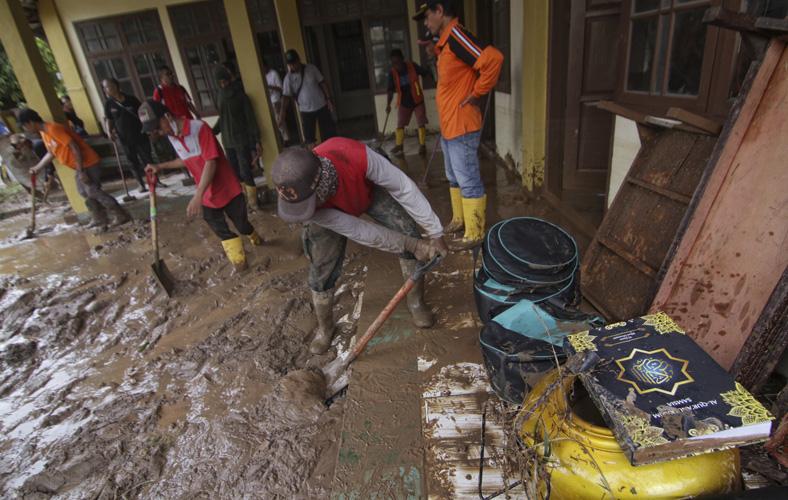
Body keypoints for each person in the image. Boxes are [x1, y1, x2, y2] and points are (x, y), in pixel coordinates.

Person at [272, 137, 449, 354]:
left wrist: (435, 232)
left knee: (407, 229)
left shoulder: (356, 155)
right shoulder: (308, 205)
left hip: (365, 191)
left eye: (306, 204)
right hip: (327, 213)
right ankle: (326, 328)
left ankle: (416, 303)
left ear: (321, 183)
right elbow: (361, 231)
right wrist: (414, 245)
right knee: (321, 270)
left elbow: (403, 187)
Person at [138, 100, 262, 271]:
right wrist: (160, 166)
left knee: (242, 225)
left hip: (227, 188)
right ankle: (241, 266)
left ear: (167, 116)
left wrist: (197, 195)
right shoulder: (172, 136)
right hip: (207, 195)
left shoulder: (199, 128)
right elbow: (186, 159)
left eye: (157, 127)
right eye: (153, 130)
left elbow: (210, 162)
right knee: (221, 231)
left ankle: (254, 237)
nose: (157, 132)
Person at [423, 0, 503, 249]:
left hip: (462, 125)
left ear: (439, 11)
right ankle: (460, 219)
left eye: (427, 16)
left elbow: (494, 59)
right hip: (449, 126)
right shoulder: (447, 43)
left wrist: (477, 92)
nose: (426, 23)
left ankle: (476, 232)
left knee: (467, 178)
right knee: (453, 177)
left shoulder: (457, 36)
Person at [18, 108, 131, 230]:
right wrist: (37, 167)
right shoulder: (44, 133)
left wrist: (82, 171)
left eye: (24, 126)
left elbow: (74, 147)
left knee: (92, 190)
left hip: (88, 163)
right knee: (83, 191)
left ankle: (120, 214)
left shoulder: (53, 129)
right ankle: (99, 218)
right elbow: (51, 152)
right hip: (79, 166)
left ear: (30, 122)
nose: (25, 130)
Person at [212, 66, 262, 208]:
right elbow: (222, 119)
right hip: (227, 141)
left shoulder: (241, 96)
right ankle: (245, 199)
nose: (223, 85)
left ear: (229, 80)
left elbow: (250, 119)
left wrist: (256, 139)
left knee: (245, 170)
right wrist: (211, 131)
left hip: (241, 140)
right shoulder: (219, 96)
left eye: (225, 81)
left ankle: (254, 202)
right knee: (234, 172)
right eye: (220, 83)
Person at [102, 78, 152, 192]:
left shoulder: (131, 99)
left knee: (147, 159)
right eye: (104, 88)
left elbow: (143, 112)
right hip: (124, 138)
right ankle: (141, 184)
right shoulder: (108, 104)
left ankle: (154, 181)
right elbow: (108, 119)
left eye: (107, 87)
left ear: (115, 86)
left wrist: (149, 128)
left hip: (140, 134)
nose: (105, 90)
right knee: (132, 162)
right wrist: (109, 132)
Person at [278, 50, 337, 146]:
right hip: (305, 111)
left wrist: (329, 99)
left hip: (321, 106)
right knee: (309, 139)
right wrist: (282, 114)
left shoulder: (311, 69)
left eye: (294, 63)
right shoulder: (288, 78)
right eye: (290, 64)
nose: (293, 66)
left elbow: (323, 83)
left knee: (329, 134)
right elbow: (285, 97)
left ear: (298, 60)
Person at [386, 48, 432, 156]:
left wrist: (432, 75)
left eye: (398, 62)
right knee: (400, 124)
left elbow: (425, 73)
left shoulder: (412, 66)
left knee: (421, 122)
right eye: (393, 63)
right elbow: (390, 90)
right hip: (404, 101)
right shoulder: (392, 73)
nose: (396, 65)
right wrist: (388, 105)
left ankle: (422, 146)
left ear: (403, 59)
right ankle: (399, 145)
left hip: (417, 100)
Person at [263, 59, 290, 145]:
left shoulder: (273, 73)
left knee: (279, 120)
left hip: (275, 99)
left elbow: (281, 88)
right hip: (267, 101)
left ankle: (286, 139)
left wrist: (269, 87)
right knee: (272, 121)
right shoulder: (261, 75)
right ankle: (279, 139)